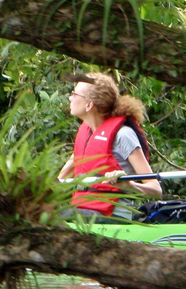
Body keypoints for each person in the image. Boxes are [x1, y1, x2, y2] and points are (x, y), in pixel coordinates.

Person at [57, 72, 162, 222]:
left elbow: (156, 190)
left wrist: (129, 184)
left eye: (74, 94)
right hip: (83, 211)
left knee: (51, 217)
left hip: (113, 216)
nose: (70, 97)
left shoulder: (123, 135)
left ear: (89, 104)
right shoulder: (86, 135)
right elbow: (59, 182)